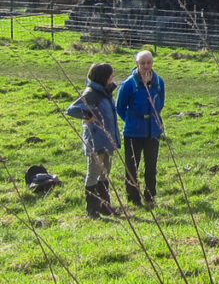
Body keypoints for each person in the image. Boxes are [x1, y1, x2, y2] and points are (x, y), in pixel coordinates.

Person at [66, 63, 121, 218]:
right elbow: (71, 109)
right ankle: (92, 210)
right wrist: (87, 115)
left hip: (108, 141)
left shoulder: (106, 92)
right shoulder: (91, 93)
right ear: (103, 77)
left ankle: (105, 206)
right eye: (111, 75)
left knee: (105, 174)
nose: (113, 77)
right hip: (96, 141)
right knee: (93, 174)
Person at [115, 50, 165, 208]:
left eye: (148, 62)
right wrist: (131, 120)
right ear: (136, 63)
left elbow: (161, 102)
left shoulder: (159, 81)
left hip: (153, 132)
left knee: (151, 167)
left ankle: (150, 197)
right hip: (133, 132)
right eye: (142, 63)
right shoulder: (129, 83)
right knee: (132, 167)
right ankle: (133, 199)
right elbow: (120, 106)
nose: (146, 66)